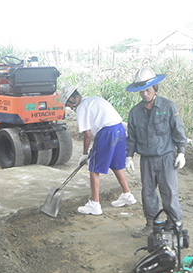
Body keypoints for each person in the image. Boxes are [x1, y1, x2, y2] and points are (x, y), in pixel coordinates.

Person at [126, 68, 188, 238]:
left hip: (166, 157)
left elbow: (178, 131)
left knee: (169, 192)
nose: (145, 94)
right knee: (148, 193)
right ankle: (152, 224)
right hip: (146, 159)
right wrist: (129, 156)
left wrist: (181, 152)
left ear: (155, 88)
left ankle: (175, 224)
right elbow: (131, 137)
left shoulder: (168, 107)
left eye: (148, 90)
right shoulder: (135, 112)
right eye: (142, 91)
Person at [59, 85, 137, 215]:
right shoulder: (91, 99)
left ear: (72, 99)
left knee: (94, 168)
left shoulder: (82, 108)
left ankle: (95, 204)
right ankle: (127, 195)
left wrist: (84, 154)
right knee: (116, 164)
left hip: (107, 133)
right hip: (119, 129)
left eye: (68, 104)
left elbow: (87, 134)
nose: (69, 108)